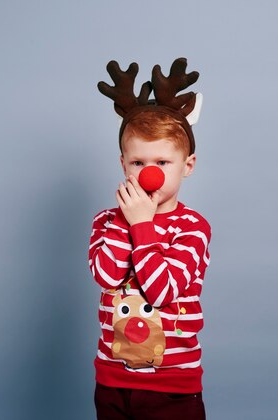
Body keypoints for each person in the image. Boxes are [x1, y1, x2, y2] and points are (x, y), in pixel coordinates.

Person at [89, 58, 211, 420]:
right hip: (112, 381)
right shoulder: (107, 220)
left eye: (162, 162)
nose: (149, 174)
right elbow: (108, 277)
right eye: (139, 163)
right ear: (123, 164)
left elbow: (163, 292)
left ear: (187, 165)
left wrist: (143, 224)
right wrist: (128, 220)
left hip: (173, 387)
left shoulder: (193, 227)